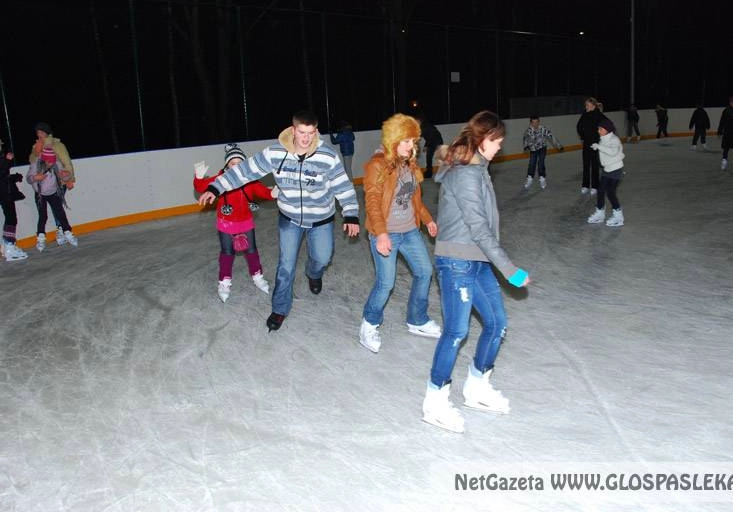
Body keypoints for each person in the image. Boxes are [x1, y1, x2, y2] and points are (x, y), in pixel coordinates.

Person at [198, 110, 360, 332]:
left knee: (322, 258)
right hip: (289, 218)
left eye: (311, 133)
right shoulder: (275, 153)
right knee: (286, 265)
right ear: (293, 130)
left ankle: (314, 273)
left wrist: (350, 213)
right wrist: (216, 187)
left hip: (321, 218)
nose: (306, 138)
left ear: (316, 131)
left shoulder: (327, 156)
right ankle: (280, 308)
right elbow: (244, 171)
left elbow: (343, 186)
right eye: (302, 132)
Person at [422, 110, 530, 433]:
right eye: (497, 141)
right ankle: (435, 401)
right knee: (456, 331)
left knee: (497, 324)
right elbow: (479, 227)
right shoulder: (467, 173)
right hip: (457, 261)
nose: (500, 147)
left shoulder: (478, 168)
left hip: (477, 259)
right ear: (483, 139)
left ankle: (477, 386)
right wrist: (509, 269)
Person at [359, 113, 441, 353]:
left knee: (424, 272)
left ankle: (417, 319)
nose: (411, 146)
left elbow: (414, 199)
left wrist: (427, 219)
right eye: (406, 141)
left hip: (410, 231)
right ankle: (368, 325)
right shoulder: (377, 165)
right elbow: (372, 203)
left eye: (413, 141)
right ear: (393, 139)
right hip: (387, 233)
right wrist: (381, 234)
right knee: (386, 283)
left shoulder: (409, 164)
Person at [193, 143, 276, 302]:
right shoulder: (220, 179)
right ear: (227, 165)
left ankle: (257, 276)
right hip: (226, 222)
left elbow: (263, 192)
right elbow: (202, 187)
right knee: (227, 252)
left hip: (246, 221)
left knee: (251, 250)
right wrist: (198, 177)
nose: (236, 167)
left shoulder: (249, 179)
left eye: (239, 163)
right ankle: (224, 282)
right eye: (232, 163)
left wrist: (274, 193)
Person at [29, 122, 75, 246]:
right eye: (37, 133)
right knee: (53, 208)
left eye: (41, 132)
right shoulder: (36, 146)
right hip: (43, 183)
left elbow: (66, 162)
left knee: (57, 207)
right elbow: (33, 163)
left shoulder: (58, 145)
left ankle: (60, 229)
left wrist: (70, 179)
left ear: (47, 133)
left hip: (59, 180)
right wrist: (36, 152)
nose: (39, 135)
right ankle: (60, 229)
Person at [586, 118, 625, 227]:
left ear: (607, 129)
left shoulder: (614, 139)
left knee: (610, 192)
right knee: (600, 191)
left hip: (616, 169)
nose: (598, 131)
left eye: (601, 129)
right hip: (607, 169)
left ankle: (618, 217)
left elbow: (613, 152)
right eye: (598, 129)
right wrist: (598, 147)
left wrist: (599, 147)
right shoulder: (602, 139)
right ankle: (600, 213)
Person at [0, 139, 28, 261]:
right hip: (4, 193)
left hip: (5, 191)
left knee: (10, 217)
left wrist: (13, 177)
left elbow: (3, 175)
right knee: (11, 218)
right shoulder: (3, 158)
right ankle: (9, 247)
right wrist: (7, 160)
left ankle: (7, 245)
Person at [521, 115, 563, 190]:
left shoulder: (543, 129)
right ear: (531, 123)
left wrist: (558, 145)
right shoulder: (528, 131)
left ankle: (542, 178)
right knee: (532, 163)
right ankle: (529, 178)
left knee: (541, 163)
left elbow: (551, 136)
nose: (535, 124)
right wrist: (526, 146)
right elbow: (525, 138)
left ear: (539, 122)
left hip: (542, 148)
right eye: (533, 123)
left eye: (537, 122)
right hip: (533, 149)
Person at [576, 97, 605, 195]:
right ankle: (585, 185)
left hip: (596, 144)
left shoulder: (599, 115)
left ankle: (595, 186)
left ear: (593, 105)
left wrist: (600, 137)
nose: (586, 107)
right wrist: (583, 136)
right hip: (586, 143)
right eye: (585, 105)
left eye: (587, 105)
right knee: (586, 165)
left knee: (595, 166)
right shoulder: (584, 115)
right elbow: (579, 126)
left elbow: (608, 125)